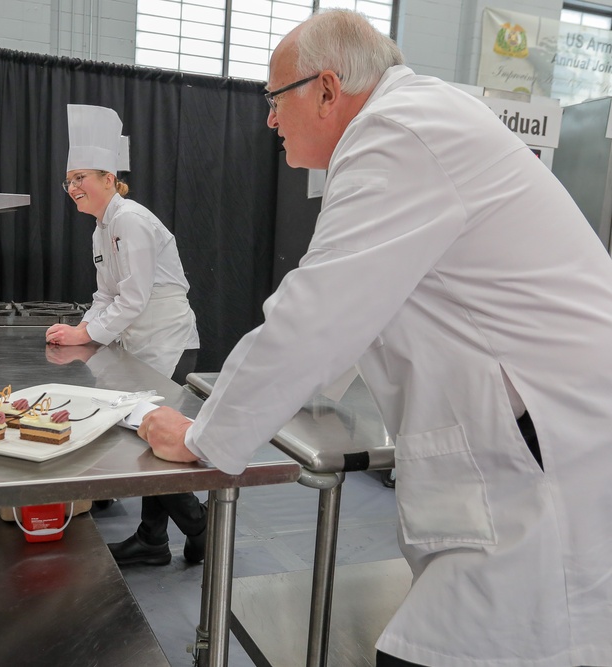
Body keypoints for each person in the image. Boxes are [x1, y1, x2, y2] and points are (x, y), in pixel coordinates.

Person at [140, 9, 612, 666]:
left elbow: (319, 311)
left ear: (328, 89)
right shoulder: (418, 121)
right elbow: (368, 308)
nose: (270, 120)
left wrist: (203, 436)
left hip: (549, 461)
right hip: (541, 442)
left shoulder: (396, 132)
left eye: (276, 100)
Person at [45, 105, 206, 567]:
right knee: (152, 440)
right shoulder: (102, 227)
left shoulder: (130, 219)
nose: (73, 188)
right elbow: (105, 294)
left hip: (167, 340)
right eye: (69, 180)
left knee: (159, 437)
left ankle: (201, 527)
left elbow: (133, 299)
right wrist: (82, 332)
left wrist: (86, 335)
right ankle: (154, 539)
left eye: (81, 178)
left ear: (110, 179)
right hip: (140, 341)